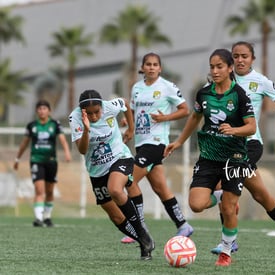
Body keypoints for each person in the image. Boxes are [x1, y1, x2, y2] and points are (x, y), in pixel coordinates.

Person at [210, 41, 275, 259]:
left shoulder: (260, 82)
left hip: (250, 144)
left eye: (244, 56)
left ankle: (229, 243)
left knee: (225, 184)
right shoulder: (222, 79)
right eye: (236, 56)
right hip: (226, 145)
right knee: (261, 195)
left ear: (252, 59)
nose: (240, 60)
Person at [164, 48, 256, 267]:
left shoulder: (240, 95)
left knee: (228, 208)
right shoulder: (203, 93)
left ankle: (225, 252)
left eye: (219, 67)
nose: (215, 71)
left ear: (230, 68)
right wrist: (178, 142)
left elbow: (251, 127)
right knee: (196, 204)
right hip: (208, 157)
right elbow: (194, 118)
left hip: (234, 158)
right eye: (212, 67)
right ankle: (222, 193)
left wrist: (234, 130)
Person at [68, 89, 155, 260]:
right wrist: (86, 130)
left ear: (102, 107)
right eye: (90, 114)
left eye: (97, 112)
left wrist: (131, 129)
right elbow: (83, 150)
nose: (94, 117)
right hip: (96, 169)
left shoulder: (110, 106)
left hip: (119, 157)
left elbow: (126, 103)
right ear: (83, 111)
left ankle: (142, 234)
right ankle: (144, 243)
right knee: (115, 216)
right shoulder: (75, 118)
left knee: (115, 189)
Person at [120, 52, 193, 244]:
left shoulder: (167, 87)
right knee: (161, 188)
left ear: (160, 68)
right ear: (142, 67)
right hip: (142, 143)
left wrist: (165, 118)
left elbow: (185, 110)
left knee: (128, 180)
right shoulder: (136, 88)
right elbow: (134, 111)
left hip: (157, 142)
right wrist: (129, 125)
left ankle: (138, 228)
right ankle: (183, 225)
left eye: (155, 64)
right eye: (148, 64)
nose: (151, 67)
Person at [14, 100, 71, 227]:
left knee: (49, 191)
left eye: (44, 108)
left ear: (49, 111)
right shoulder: (32, 126)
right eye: (39, 109)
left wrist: (67, 153)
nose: (42, 111)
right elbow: (24, 143)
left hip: (51, 161)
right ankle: (38, 218)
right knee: (39, 190)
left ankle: (47, 217)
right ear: (36, 111)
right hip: (36, 160)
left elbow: (62, 139)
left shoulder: (55, 124)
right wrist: (17, 159)